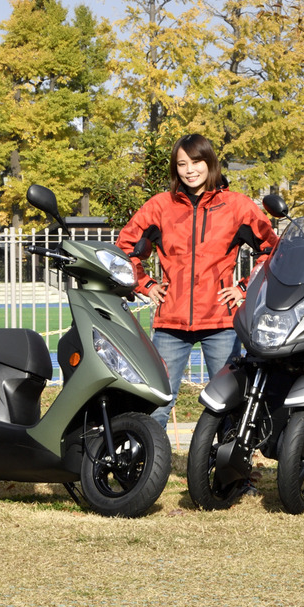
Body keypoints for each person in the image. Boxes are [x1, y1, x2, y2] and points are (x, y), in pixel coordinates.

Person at [116, 133, 279, 427]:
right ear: (174, 169)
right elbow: (125, 247)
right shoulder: (159, 206)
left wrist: (245, 288)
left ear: (210, 162)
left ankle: (231, 472)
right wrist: (146, 284)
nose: (189, 170)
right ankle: (147, 468)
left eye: (196, 161)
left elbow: (272, 249)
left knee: (229, 403)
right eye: (181, 164)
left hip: (221, 324)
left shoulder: (237, 206)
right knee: (157, 401)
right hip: (170, 324)